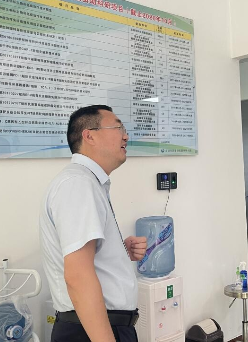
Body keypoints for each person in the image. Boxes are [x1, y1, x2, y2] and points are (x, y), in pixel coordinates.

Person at [40, 105, 147, 342]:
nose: (126, 136)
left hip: (95, 326)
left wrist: (118, 251)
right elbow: (78, 276)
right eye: (118, 128)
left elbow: (83, 259)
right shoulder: (78, 184)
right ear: (89, 136)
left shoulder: (86, 182)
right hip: (91, 331)